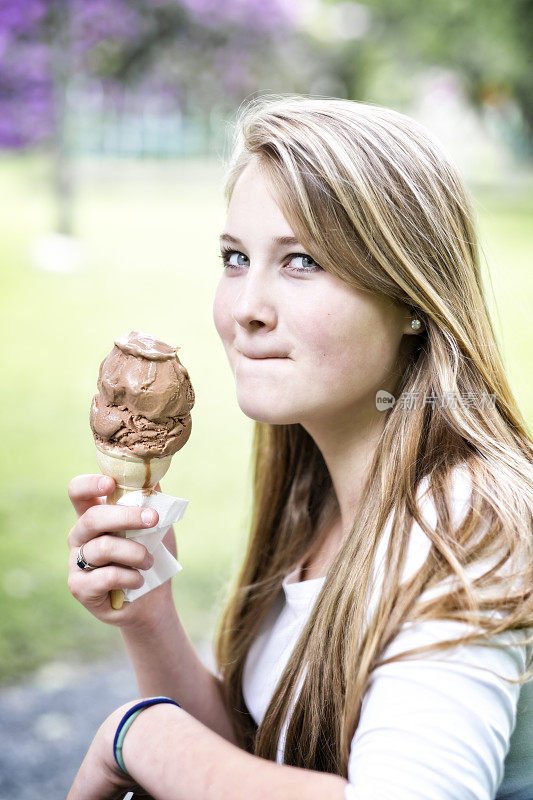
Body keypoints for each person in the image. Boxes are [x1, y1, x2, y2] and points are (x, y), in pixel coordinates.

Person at [66, 94, 533, 800]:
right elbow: (263, 765)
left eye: (302, 261)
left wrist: (142, 736)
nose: (245, 308)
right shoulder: (317, 491)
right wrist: (149, 614)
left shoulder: (466, 527)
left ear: (412, 294)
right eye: (234, 257)